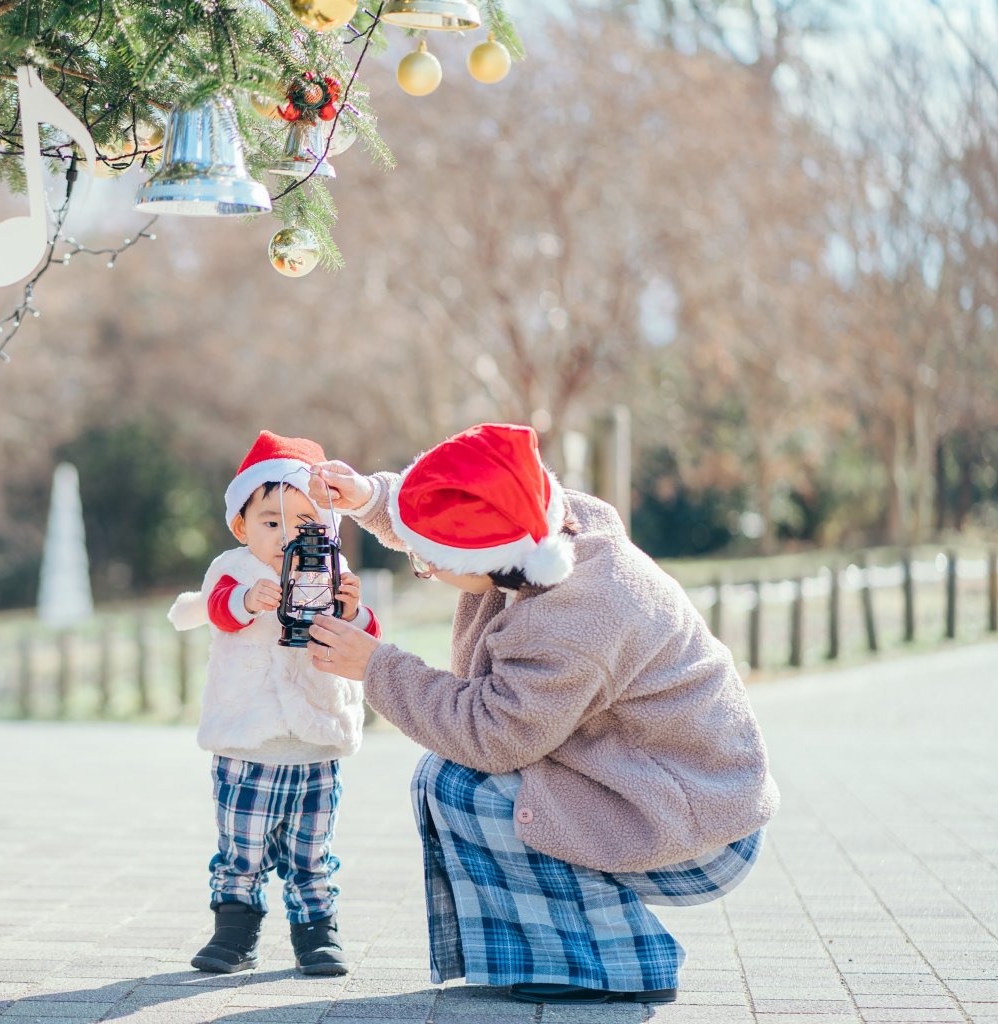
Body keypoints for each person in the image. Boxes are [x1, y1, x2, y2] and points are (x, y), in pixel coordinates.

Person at [305, 422, 778, 1006]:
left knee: (461, 785)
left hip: (698, 828)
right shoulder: (550, 527)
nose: (423, 569)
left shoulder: (573, 622)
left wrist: (376, 667)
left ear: (488, 557)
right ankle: (558, 955)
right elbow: (470, 495)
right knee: (449, 780)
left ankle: (625, 961)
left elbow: (489, 736)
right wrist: (373, 499)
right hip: (665, 785)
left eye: (429, 563)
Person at [167, 430, 382, 977]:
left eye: (306, 525)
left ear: (328, 530)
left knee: (312, 854)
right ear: (242, 526)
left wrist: (353, 612)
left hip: (316, 738)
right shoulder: (235, 569)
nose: (289, 537)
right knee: (242, 850)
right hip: (248, 738)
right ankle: (235, 934)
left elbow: (364, 639)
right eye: (272, 522)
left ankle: (318, 936)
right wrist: (245, 599)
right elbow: (217, 609)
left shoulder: (331, 572)